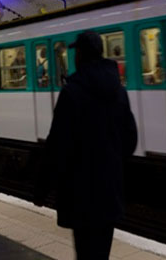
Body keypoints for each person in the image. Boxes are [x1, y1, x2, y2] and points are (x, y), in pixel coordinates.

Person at [34, 31, 138, 260]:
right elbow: (130, 139)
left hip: (79, 194)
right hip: (109, 192)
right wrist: (110, 160)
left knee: (85, 253)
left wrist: (41, 189)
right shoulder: (119, 91)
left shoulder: (71, 93)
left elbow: (56, 146)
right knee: (101, 254)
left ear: (80, 55)